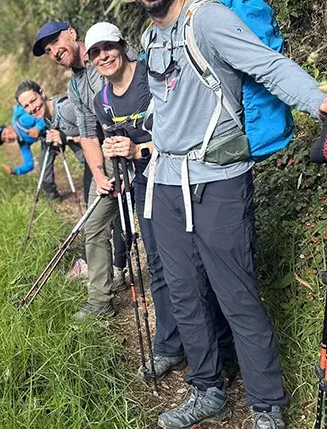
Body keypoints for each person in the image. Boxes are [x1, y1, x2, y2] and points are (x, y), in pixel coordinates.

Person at [122, 0, 327, 429]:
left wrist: (320, 101)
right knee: (186, 294)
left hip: (218, 181)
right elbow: (167, 107)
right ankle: (208, 390)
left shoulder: (207, 21)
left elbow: (265, 64)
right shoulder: (148, 39)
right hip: (165, 182)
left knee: (236, 294)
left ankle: (267, 406)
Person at [84, 21, 239, 381]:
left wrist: (140, 148)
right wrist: (117, 154)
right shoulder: (102, 101)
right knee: (159, 264)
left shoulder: (150, 76)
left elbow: (184, 123)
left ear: (123, 46)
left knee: (200, 262)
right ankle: (170, 346)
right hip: (146, 185)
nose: (104, 56)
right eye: (96, 53)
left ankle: (222, 345)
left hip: (186, 177)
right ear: (90, 60)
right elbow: (118, 142)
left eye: (109, 47)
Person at [31, 22, 137, 317]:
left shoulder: (106, 54)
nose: (53, 51)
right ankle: (101, 301)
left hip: (146, 150)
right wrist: (101, 176)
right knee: (94, 226)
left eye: (54, 42)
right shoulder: (75, 86)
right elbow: (89, 134)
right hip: (111, 159)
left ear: (72, 33)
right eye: (48, 50)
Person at [14, 80, 129, 290]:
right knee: (97, 218)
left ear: (42, 92)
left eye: (33, 100)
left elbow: (98, 130)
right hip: (91, 165)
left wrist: (65, 137)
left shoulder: (65, 108)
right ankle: (100, 266)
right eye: (27, 106)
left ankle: (117, 268)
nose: (32, 107)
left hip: (106, 161)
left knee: (114, 218)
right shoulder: (47, 118)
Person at [0, 103, 62, 200]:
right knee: (43, 164)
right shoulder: (23, 143)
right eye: (5, 139)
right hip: (50, 138)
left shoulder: (22, 122)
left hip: (60, 125)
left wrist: (37, 128)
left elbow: (43, 114)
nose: (7, 137)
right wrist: (15, 171)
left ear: (8, 127)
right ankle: (54, 197)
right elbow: (30, 164)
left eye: (5, 133)